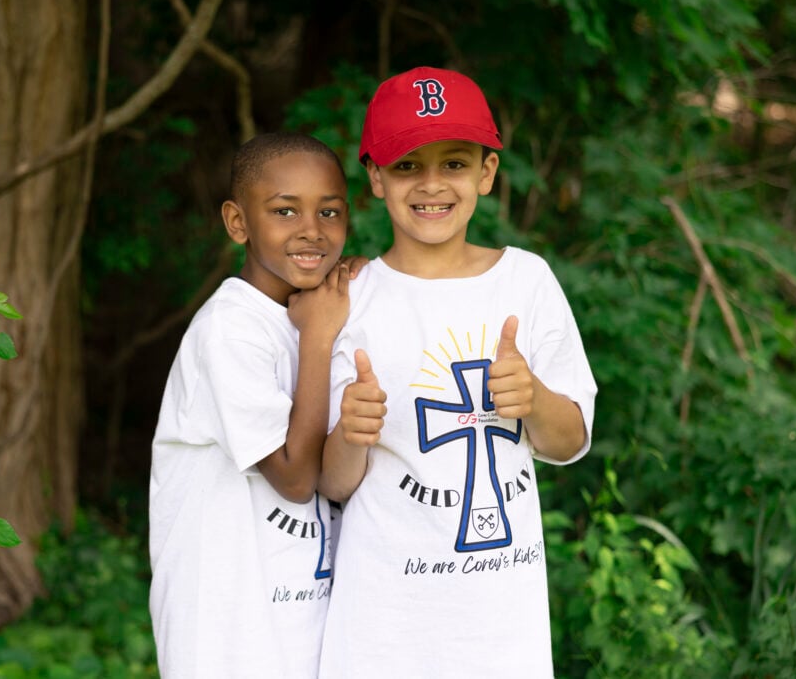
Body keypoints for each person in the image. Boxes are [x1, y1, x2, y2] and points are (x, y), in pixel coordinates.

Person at [318, 67, 598, 677]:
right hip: (383, 626)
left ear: (487, 174)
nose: (431, 184)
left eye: (453, 163)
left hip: (501, 627)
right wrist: (350, 432)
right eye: (407, 166)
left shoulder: (527, 282)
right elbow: (334, 485)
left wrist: (534, 398)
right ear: (375, 178)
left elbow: (570, 441)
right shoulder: (350, 298)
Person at [149, 133, 354, 678]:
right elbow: (292, 477)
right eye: (285, 210)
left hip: (302, 618)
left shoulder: (323, 311)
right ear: (238, 223)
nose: (312, 230)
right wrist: (316, 339)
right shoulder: (230, 329)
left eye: (329, 211)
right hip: (225, 631)